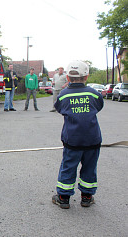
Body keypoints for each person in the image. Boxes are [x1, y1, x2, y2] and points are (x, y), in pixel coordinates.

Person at [52, 60, 104, 209]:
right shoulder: (94, 94)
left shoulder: (63, 95)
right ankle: (87, 197)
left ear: (67, 78)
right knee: (90, 167)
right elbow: (99, 106)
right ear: (86, 76)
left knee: (68, 167)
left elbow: (59, 108)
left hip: (72, 141)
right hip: (93, 140)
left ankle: (63, 198)